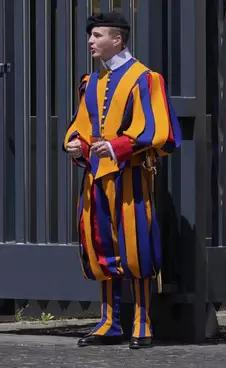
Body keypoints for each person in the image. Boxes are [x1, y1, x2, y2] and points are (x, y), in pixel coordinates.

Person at [63, 12, 181, 349]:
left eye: (97, 35)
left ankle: (142, 321)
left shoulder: (146, 78)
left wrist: (116, 146)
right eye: (90, 35)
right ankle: (109, 321)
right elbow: (81, 125)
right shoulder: (91, 82)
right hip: (96, 178)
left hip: (131, 175)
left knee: (136, 246)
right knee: (101, 245)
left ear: (117, 39)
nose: (90, 41)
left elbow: (159, 129)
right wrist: (78, 146)